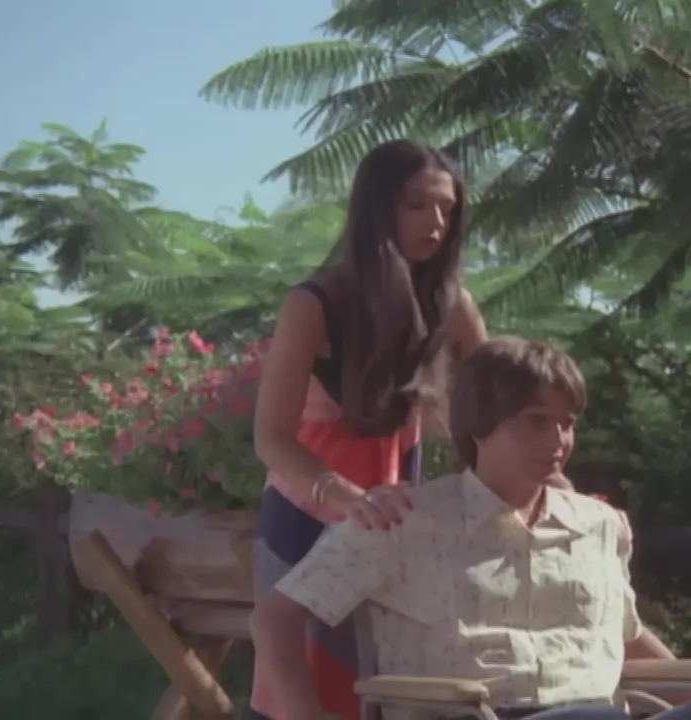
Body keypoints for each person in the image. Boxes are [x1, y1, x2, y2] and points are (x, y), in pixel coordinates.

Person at [254, 337, 691, 720]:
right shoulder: (401, 520)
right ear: (480, 428)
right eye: (536, 421)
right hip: (479, 713)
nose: (557, 440)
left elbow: (626, 638)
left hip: (599, 714)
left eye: (567, 423)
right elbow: (276, 618)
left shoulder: (598, 526)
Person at [249, 139, 490, 720]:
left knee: (387, 685)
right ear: (378, 207)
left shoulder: (453, 305)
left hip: (395, 522)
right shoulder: (313, 304)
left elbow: (495, 410)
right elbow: (271, 438)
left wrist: (537, 480)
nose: (436, 223)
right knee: (302, 689)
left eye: (447, 209)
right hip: (306, 518)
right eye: (417, 205)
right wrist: (346, 498)